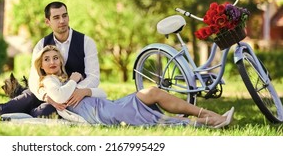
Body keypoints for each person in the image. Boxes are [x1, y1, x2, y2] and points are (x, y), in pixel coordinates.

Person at [34, 45, 235, 128]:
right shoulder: (50, 82)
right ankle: (212, 119)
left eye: (55, 58)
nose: (52, 62)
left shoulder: (65, 81)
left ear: (60, 62)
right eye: (47, 59)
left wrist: (85, 90)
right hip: (103, 114)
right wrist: (75, 81)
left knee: (153, 92)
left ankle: (207, 115)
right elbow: (60, 97)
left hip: (107, 105)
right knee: (155, 110)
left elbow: (102, 92)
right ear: (41, 65)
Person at [0, 1, 101, 117]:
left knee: (45, 113)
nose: (62, 21)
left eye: (64, 16)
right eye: (56, 17)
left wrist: (75, 92)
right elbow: (34, 79)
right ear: (48, 22)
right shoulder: (41, 44)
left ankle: (29, 113)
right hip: (44, 93)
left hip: (73, 99)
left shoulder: (86, 42)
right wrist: (46, 96)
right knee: (6, 109)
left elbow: (93, 77)